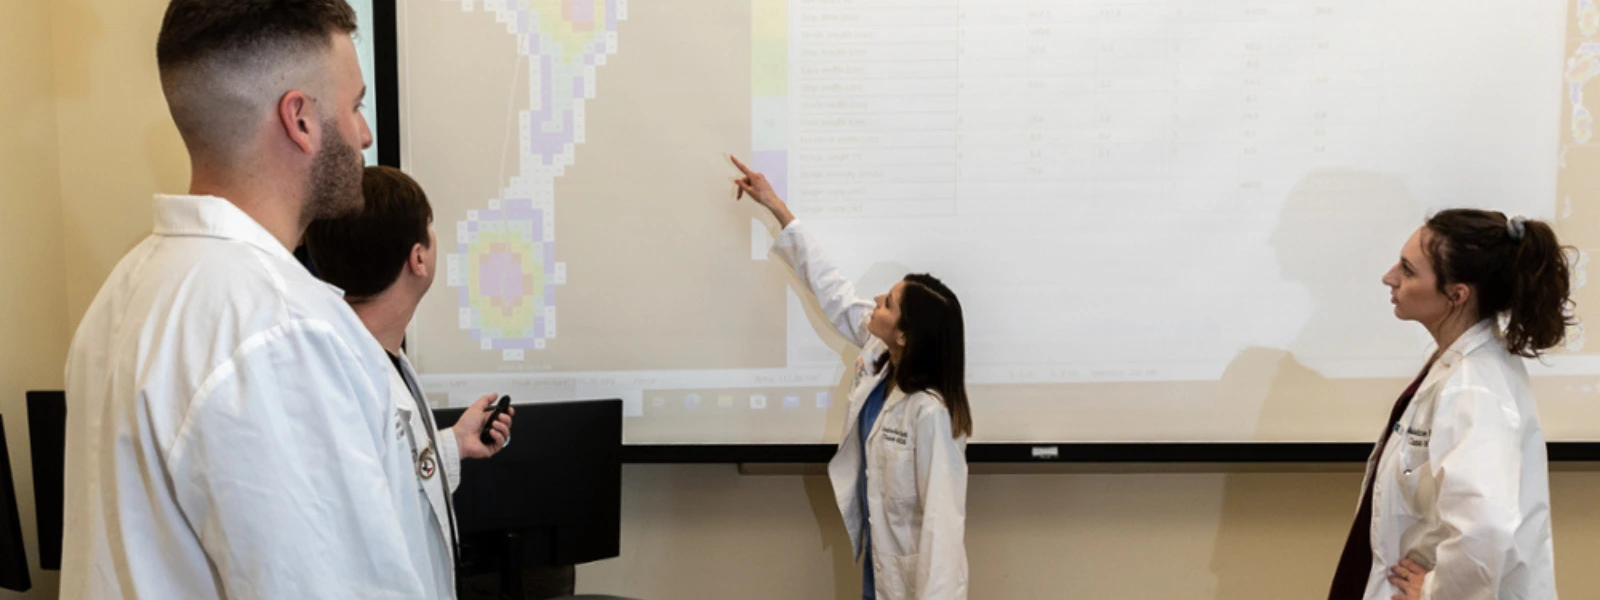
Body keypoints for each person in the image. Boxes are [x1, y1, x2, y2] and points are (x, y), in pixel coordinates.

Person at [61, 1, 453, 597]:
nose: (365, 135)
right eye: (355, 107)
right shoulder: (281, 329)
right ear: (300, 120)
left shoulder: (123, 294)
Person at [729, 156, 971, 600]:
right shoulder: (882, 356)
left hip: (914, 585)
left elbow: (943, 530)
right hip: (878, 565)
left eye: (888, 303)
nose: (875, 299)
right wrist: (776, 206)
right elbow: (834, 291)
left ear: (905, 334)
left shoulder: (931, 413)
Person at [1328, 209, 1566, 599]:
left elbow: (1486, 526)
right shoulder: (1457, 365)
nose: (1389, 277)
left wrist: (1435, 592)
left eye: (1408, 270)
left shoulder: (1475, 385)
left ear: (1456, 295)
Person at [304, 165, 514, 597]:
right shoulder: (345, 378)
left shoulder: (379, 357)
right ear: (418, 258)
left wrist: (454, 444)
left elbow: (393, 479)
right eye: (431, 228)